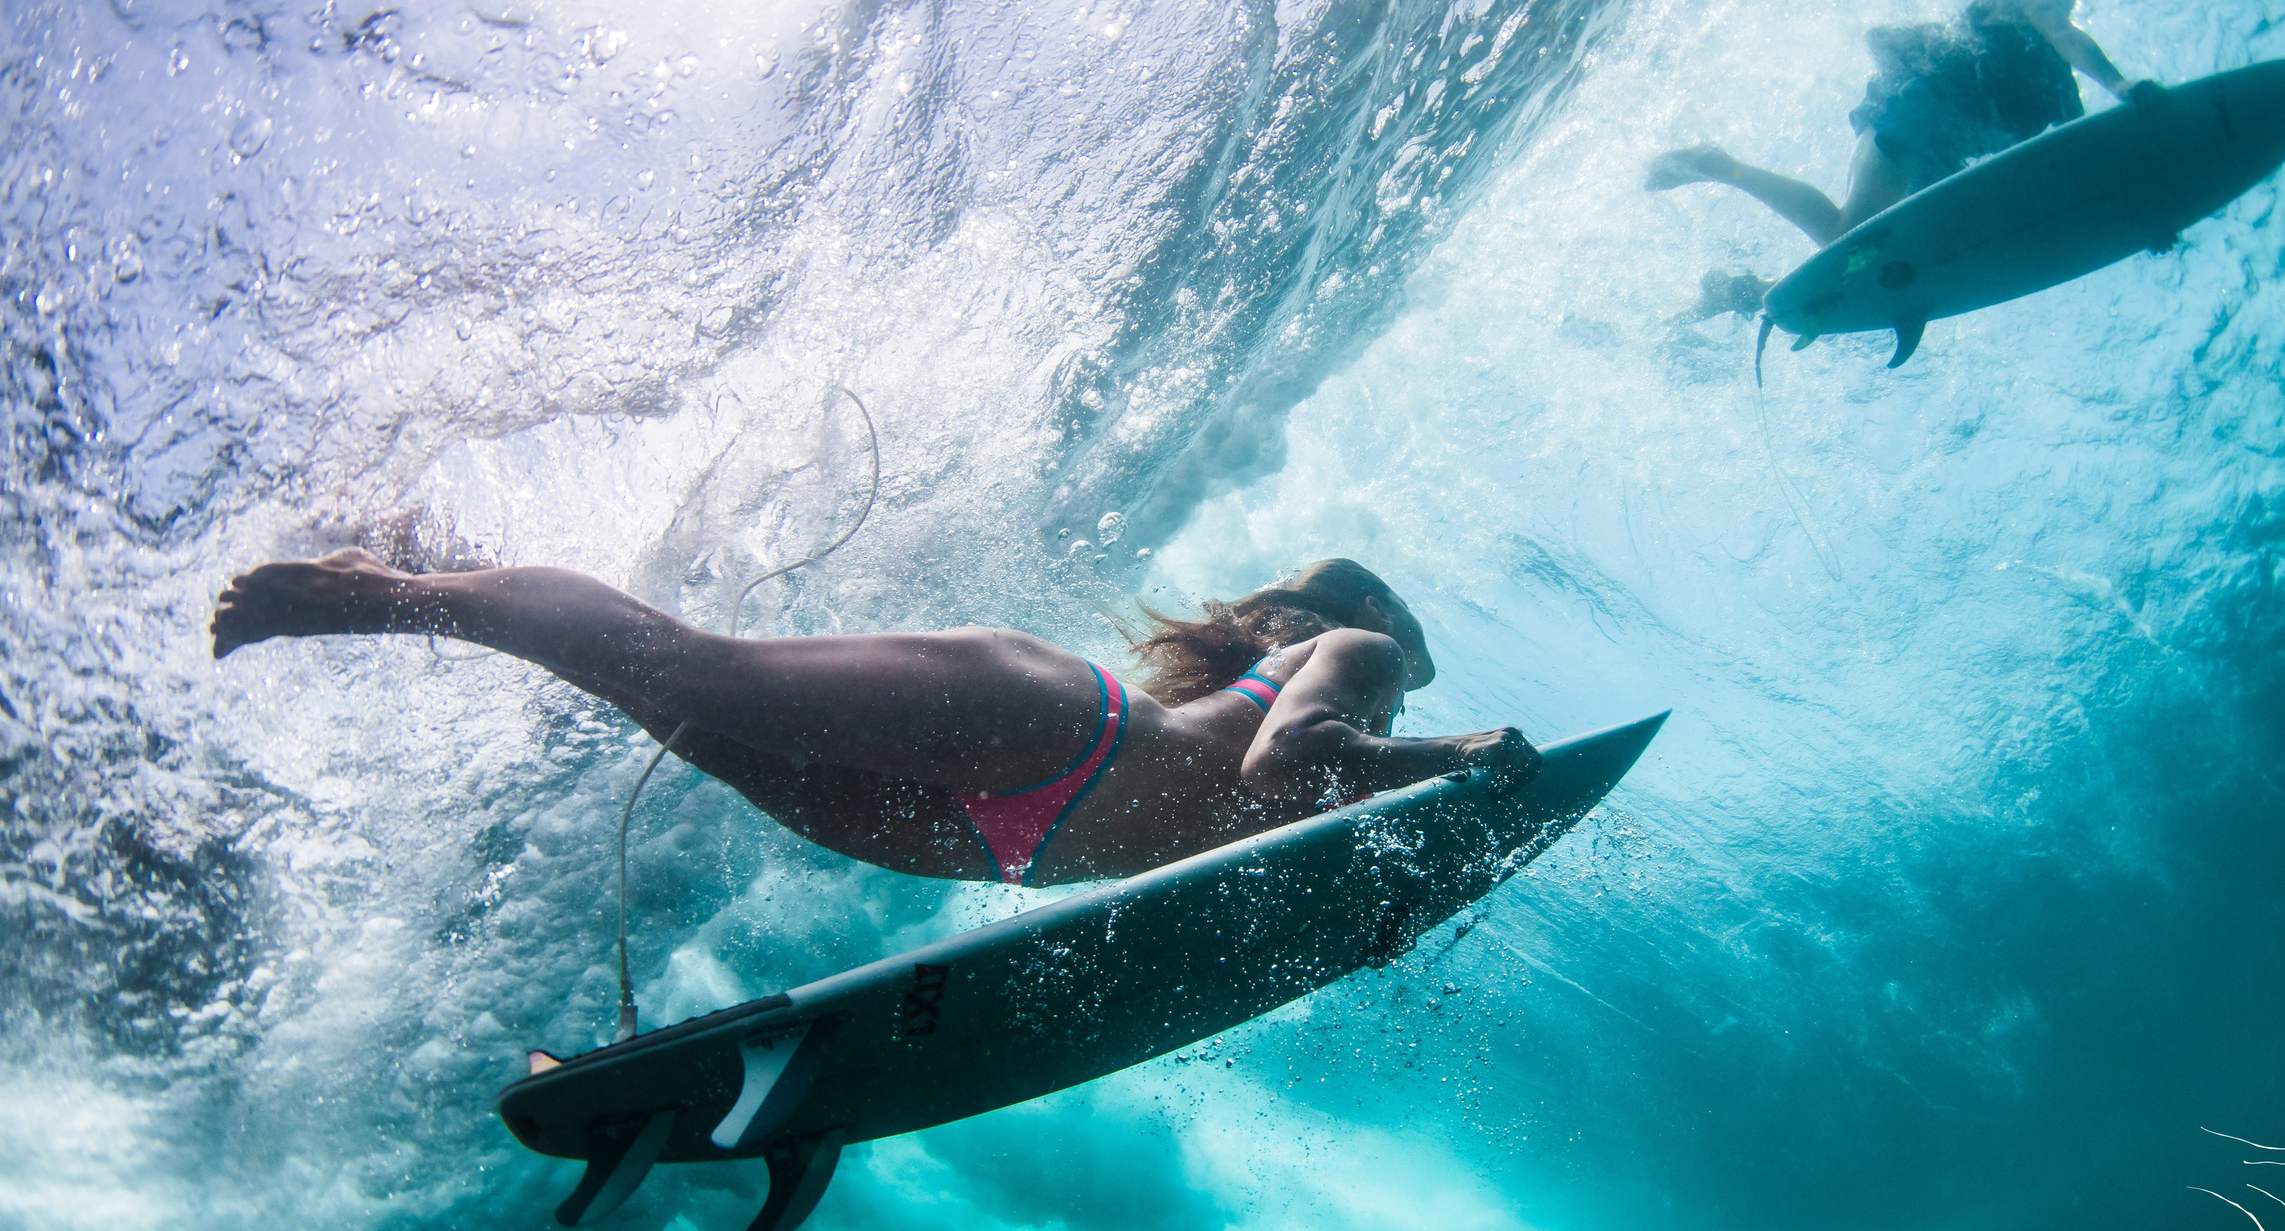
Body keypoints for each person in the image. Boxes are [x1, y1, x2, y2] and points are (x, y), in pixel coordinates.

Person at [209, 551, 1541, 888]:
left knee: (678, 716)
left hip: (999, 840)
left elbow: (1267, 815)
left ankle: (450, 560)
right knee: (696, 675)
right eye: (1418, 669)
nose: (1408, 682)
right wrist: (1457, 747)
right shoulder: (1362, 648)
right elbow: (1289, 757)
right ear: (1388, 624)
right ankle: (381, 591)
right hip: (1053, 737)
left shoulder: (1335, 693)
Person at [1647, 0, 2165, 314]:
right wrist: (2121, 82)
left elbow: (2088, 165)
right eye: (2052, 3)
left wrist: (2139, 220)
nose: (2058, 11)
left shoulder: (2057, 89)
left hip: (1943, 157)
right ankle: (1720, 166)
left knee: (1878, 257)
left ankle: (1745, 291)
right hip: (1913, 111)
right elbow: (2066, 38)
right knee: (1849, 235)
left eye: (2063, 5)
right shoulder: (2032, 8)